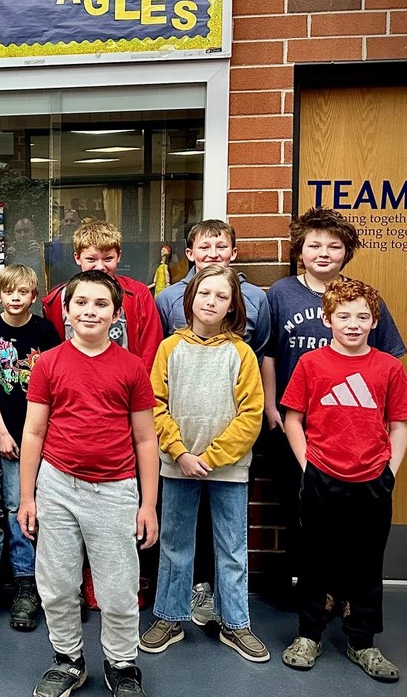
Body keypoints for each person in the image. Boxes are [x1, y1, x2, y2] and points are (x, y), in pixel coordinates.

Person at [19, 270, 159, 697]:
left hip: (115, 490)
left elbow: (145, 438)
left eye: (101, 304)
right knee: (57, 585)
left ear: (117, 314)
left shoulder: (131, 367)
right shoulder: (48, 363)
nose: (90, 311)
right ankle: (68, 659)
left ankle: (122, 663)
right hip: (57, 486)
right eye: (81, 302)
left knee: (118, 589)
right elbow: (34, 432)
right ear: (66, 310)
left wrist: (148, 504)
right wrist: (27, 496)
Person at [279, 279, 407, 682]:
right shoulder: (311, 364)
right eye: (343, 316)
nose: (353, 324)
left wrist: (389, 472)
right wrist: (309, 466)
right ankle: (308, 635)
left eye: (362, 317)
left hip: (373, 480)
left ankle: (363, 641)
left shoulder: (389, 367)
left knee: (367, 563)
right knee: (314, 560)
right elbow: (293, 420)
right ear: (328, 320)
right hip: (322, 477)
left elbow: (400, 426)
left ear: (374, 322)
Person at [262, 207, 405, 588]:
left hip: (349, 429)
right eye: (314, 245)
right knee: (300, 510)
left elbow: (388, 359)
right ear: (299, 250)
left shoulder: (360, 298)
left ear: (347, 252)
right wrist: (271, 405)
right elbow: (270, 353)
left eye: (334, 246)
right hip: (296, 422)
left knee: (353, 521)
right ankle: (314, 591)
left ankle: (346, 591)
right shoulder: (281, 294)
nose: (323, 253)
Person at [139, 266, 268, 663]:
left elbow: (251, 414)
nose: (211, 302)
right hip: (178, 465)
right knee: (175, 544)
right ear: (190, 298)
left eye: (221, 296)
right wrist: (180, 452)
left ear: (232, 306)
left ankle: (235, 623)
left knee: (232, 547)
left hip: (227, 469)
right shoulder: (169, 348)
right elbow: (154, 405)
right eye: (204, 294)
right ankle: (170, 617)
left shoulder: (241, 353)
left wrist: (211, 458)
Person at [0, 263, 61, 631]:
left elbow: (56, 385)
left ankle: (56, 585)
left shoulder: (45, 331)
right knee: (15, 507)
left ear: (33, 296)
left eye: (23, 292)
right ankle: (24, 583)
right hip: (7, 435)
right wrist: (1, 431)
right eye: (9, 291)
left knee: (49, 511)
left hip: (43, 435)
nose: (15, 298)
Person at [42, 220, 163, 374]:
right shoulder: (57, 300)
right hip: (73, 380)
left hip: (124, 380)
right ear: (77, 257)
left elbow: (151, 348)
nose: (100, 267)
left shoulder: (138, 295)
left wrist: (142, 383)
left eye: (108, 259)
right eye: (91, 259)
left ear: (119, 256)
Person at [155, 219, 270, 358]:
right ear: (190, 254)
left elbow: (259, 351)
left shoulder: (256, 298)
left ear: (233, 252)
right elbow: (159, 351)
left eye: (221, 247)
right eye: (204, 248)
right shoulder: (168, 298)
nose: (213, 254)